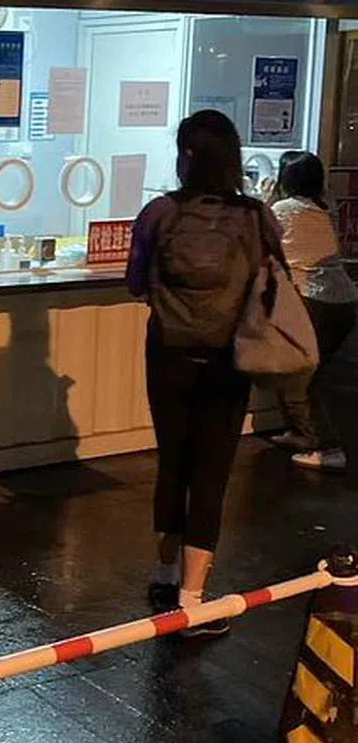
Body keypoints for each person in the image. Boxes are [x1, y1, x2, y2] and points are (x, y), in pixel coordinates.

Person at [127, 110, 283, 637]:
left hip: (167, 355)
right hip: (228, 362)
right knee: (211, 474)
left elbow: (135, 282)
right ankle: (192, 599)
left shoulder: (160, 213)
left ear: (185, 157)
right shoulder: (256, 218)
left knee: (172, 463)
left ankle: (163, 574)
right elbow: (276, 284)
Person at [269, 151, 357, 472]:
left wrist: (269, 197)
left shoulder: (282, 210)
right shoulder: (325, 208)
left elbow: (266, 237)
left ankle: (328, 446)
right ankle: (304, 433)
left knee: (302, 375)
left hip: (313, 301)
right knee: (313, 372)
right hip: (344, 300)